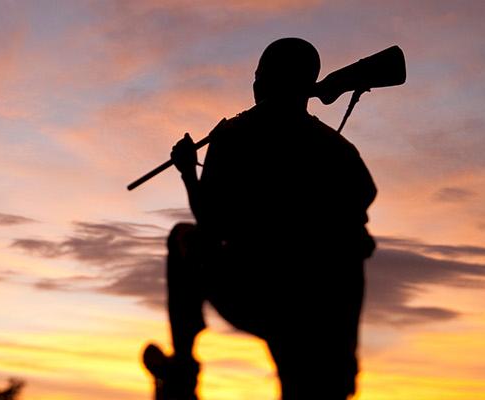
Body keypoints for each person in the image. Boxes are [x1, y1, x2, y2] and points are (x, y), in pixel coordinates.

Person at [143, 37, 378, 400]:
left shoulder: (234, 135)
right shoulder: (339, 149)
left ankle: (183, 370)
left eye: (258, 76)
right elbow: (362, 207)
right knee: (350, 243)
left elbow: (211, 220)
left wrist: (188, 172)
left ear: (264, 82)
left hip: (256, 292)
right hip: (318, 306)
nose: (253, 84)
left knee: (182, 237)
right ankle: (341, 367)